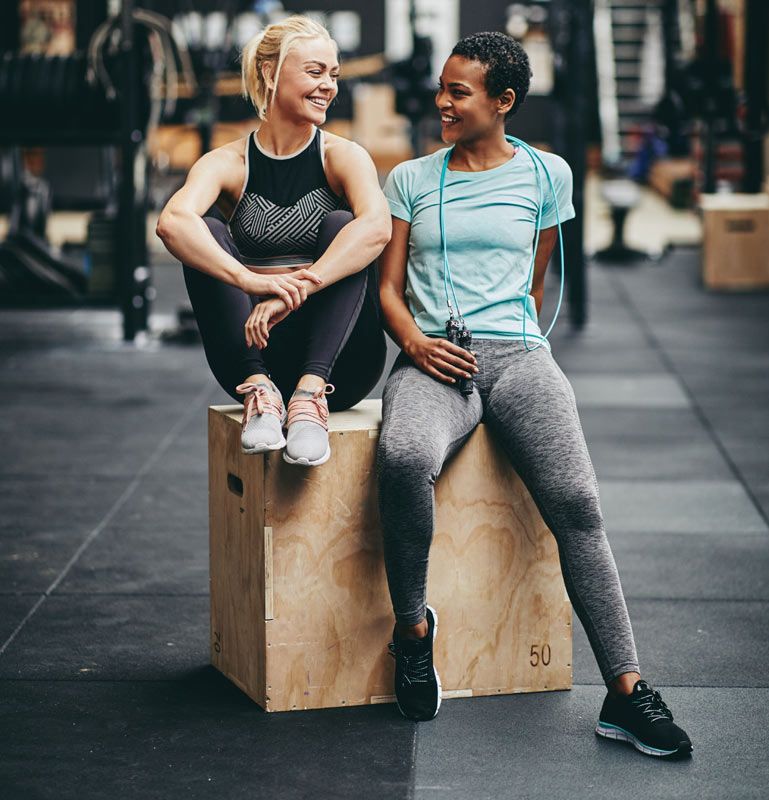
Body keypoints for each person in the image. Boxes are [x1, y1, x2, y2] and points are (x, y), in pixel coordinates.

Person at [377, 31, 693, 759]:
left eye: (459, 91)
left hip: (518, 357)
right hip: (432, 358)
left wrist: (512, 350)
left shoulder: (547, 174)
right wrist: (418, 345)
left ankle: (624, 691)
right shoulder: (412, 180)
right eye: (443, 88)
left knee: (578, 503)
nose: (442, 102)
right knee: (400, 457)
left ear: (503, 102)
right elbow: (387, 290)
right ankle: (412, 631)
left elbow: (533, 280)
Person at [156, 15, 389, 466]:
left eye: (334, 75)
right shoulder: (228, 162)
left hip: (340, 364)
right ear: (270, 73)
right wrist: (250, 281)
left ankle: (307, 399)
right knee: (203, 230)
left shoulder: (343, 156)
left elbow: (377, 227)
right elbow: (172, 223)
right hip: (254, 355)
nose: (329, 86)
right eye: (315, 72)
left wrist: (297, 289)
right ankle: (262, 395)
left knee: (347, 224)